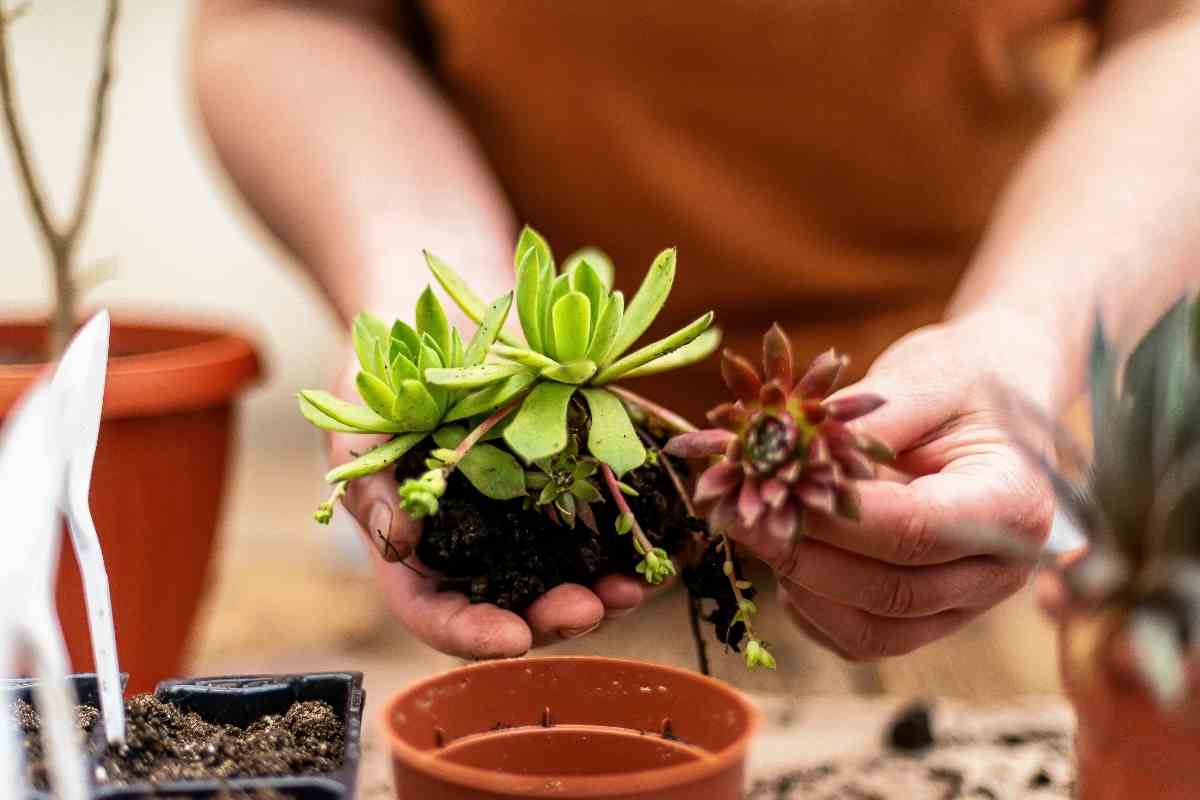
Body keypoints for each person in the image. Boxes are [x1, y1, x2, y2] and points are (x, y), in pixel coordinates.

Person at [191, 1, 1200, 662]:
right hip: (533, 464)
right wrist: (417, 267)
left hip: (975, 468)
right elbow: (285, 15)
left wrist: (1030, 329)